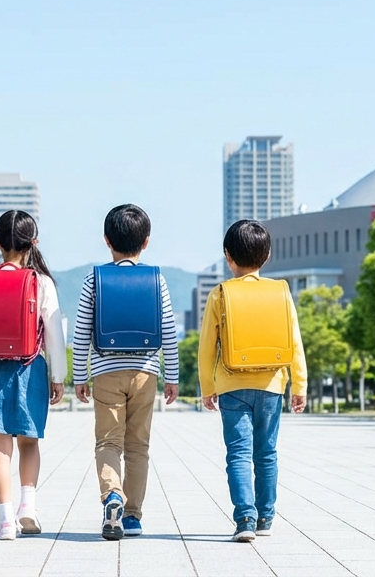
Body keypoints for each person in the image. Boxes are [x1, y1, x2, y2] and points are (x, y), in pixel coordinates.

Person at [73, 204, 180, 540]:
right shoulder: (156, 279)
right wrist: (172, 376)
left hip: (106, 371)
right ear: (145, 242)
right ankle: (132, 517)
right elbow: (168, 331)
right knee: (138, 446)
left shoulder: (95, 278)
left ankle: (112, 495)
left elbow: (81, 332)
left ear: (107, 240)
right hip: (146, 372)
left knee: (108, 441)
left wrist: (79, 375)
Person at [198, 219, 307, 542]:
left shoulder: (220, 294)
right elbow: (295, 343)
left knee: (238, 453)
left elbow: (207, 345)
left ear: (228, 256)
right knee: (267, 452)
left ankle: (245, 517)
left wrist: (208, 387)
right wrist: (299, 386)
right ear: (267, 255)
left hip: (232, 385)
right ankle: (266, 517)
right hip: (272, 385)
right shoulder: (281, 293)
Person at [0, 210, 67, 540]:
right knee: (29, 442)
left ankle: (5, 520)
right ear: (31, 245)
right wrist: (58, 377)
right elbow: (54, 335)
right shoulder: (41, 282)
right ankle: (28, 507)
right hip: (28, 368)